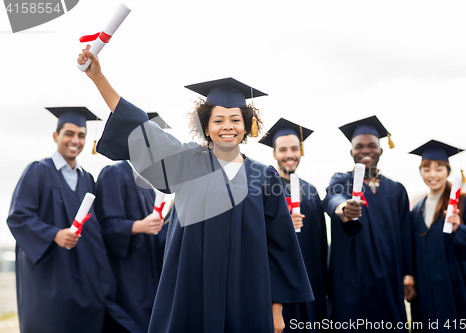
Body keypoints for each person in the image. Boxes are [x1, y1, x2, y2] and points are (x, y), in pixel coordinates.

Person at [77, 45, 313, 333]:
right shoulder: (187, 161)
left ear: (246, 124)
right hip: (191, 289)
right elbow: (141, 129)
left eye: (236, 119)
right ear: (206, 125)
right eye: (219, 120)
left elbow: (281, 247)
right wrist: (99, 78)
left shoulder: (264, 177)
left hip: (248, 296)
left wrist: (277, 312)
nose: (228, 126)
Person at [7, 107, 141, 333]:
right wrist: (54, 234)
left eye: (81, 135)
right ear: (55, 136)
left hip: (82, 275)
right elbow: (18, 217)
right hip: (49, 274)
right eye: (69, 133)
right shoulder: (38, 171)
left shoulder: (87, 178)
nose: (75, 140)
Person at [321, 115, 415, 332]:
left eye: (372, 146)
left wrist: (408, 276)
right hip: (352, 278)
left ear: (380, 150)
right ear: (351, 151)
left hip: (388, 276)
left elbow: (405, 234)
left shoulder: (396, 189)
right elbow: (332, 198)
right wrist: (343, 209)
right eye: (359, 146)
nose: (366, 151)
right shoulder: (341, 181)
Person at [409, 139, 466, 332]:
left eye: (439, 168)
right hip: (429, 290)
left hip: (457, 288)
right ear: (420, 172)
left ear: (449, 171)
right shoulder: (416, 210)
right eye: (426, 169)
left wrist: (460, 228)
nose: (432, 175)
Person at [94, 112, 170, 333]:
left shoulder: (149, 181)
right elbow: (105, 226)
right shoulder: (114, 173)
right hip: (127, 273)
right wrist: (138, 226)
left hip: (149, 270)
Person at [259, 118, 328, 332]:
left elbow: (321, 241)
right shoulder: (263, 189)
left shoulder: (311, 191)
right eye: (283, 150)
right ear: (274, 154)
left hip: (311, 280)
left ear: (301, 151)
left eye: (294, 149)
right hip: (279, 285)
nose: (290, 155)